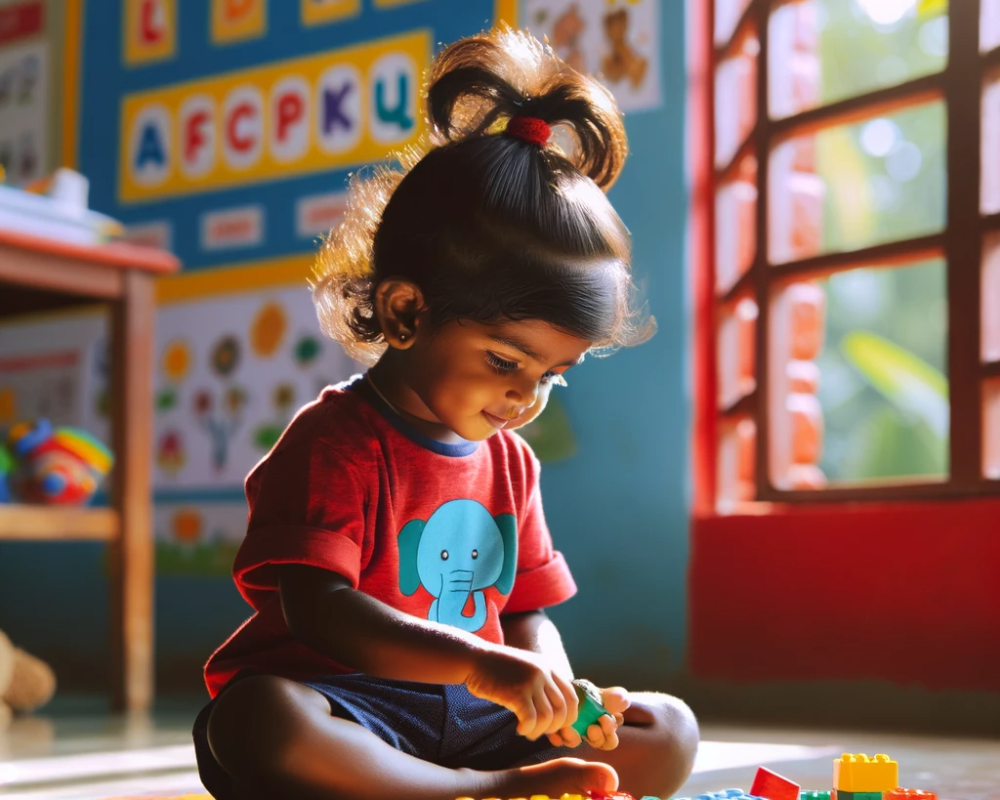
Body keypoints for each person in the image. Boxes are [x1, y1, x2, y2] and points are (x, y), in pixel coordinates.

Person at [192, 26, 698, 800]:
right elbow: (321, 612)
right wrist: (477, 662)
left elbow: (527, 611)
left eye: (554, 376)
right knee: (253, 721)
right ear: (404, 312)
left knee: (670, 729)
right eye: (506, 362)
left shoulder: (511, 463)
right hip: (353, 710)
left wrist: (554, 687)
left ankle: (477, 777)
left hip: (474, 716)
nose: (526, 397)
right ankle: (480, 792)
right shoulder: (334, 444)